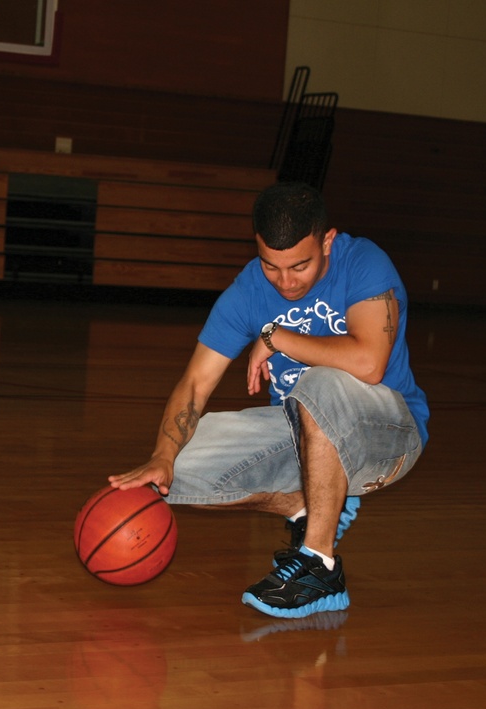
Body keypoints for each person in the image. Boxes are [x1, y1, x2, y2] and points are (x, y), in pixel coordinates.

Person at [109, 181, 429, 619]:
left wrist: (277, 337)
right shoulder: (248, 290)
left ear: (328, 241)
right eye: (270, 266)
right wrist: (162, 455)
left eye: (299, 266)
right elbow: (196, 382)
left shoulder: (363, 262)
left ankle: (319, 565)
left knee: (320, 383)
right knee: (176, 472)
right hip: (306, 436)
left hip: (390, 432)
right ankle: (310, 507)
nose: (285, 281)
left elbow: (369, 362)